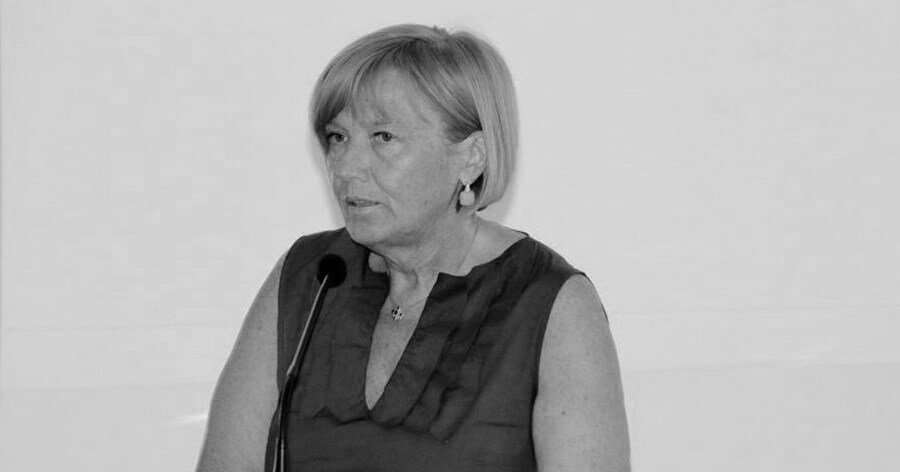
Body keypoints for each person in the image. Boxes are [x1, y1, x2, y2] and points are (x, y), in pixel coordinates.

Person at [197, 23, 630, 472]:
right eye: (338, 137)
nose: (347, 168)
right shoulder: (310, 277)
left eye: (383, 137)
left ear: (472, 157)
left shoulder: (552, 306)